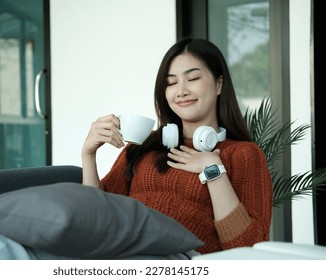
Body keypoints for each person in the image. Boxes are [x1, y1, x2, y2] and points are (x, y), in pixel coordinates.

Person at [81, 37, 273, 255]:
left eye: (192, 78)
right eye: (171, 83)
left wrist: (213, 170)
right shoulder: (143, 146)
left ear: (219, 84)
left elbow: (248, 249)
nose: (181, 91)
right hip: (124, 250)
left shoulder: (244, 154)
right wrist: (88, 155)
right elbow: (97, 216)